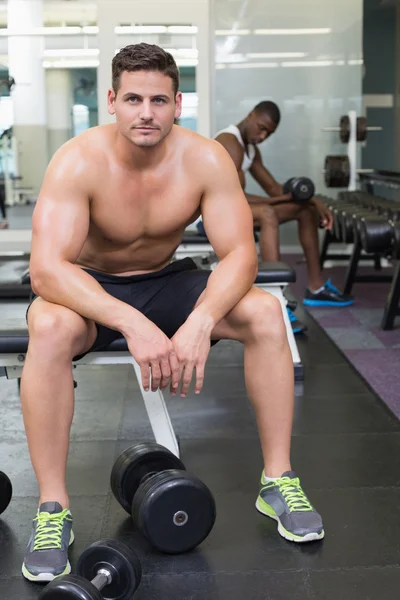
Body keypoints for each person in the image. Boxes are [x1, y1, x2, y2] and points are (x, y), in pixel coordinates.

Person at [20, 43, 324, 584]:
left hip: (167, 280)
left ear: (178, 103)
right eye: (133, 98)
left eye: (158, 100)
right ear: (111, 100)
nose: (146, 112)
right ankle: (53, 509)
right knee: (47, 323)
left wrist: (200, 321)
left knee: (264, 313)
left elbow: (241, 256)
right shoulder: (77, 161)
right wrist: (134, 324)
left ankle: (278, 479)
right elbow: (47, 271)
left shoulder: (204, 158)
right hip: (91, 286)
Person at [213, 102, 354, 332]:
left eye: (268, 133)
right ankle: (276, 296)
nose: (262, 135)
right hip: (218, 214)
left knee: (304, 211)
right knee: (268, 213)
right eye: (261, 127)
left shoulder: (250, 149)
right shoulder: (229, 142)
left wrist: (313, 201)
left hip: (237, 209)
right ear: (250, 116)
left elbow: (274, 189)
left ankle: (316, 288)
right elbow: (233, 195)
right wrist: (276, 202)